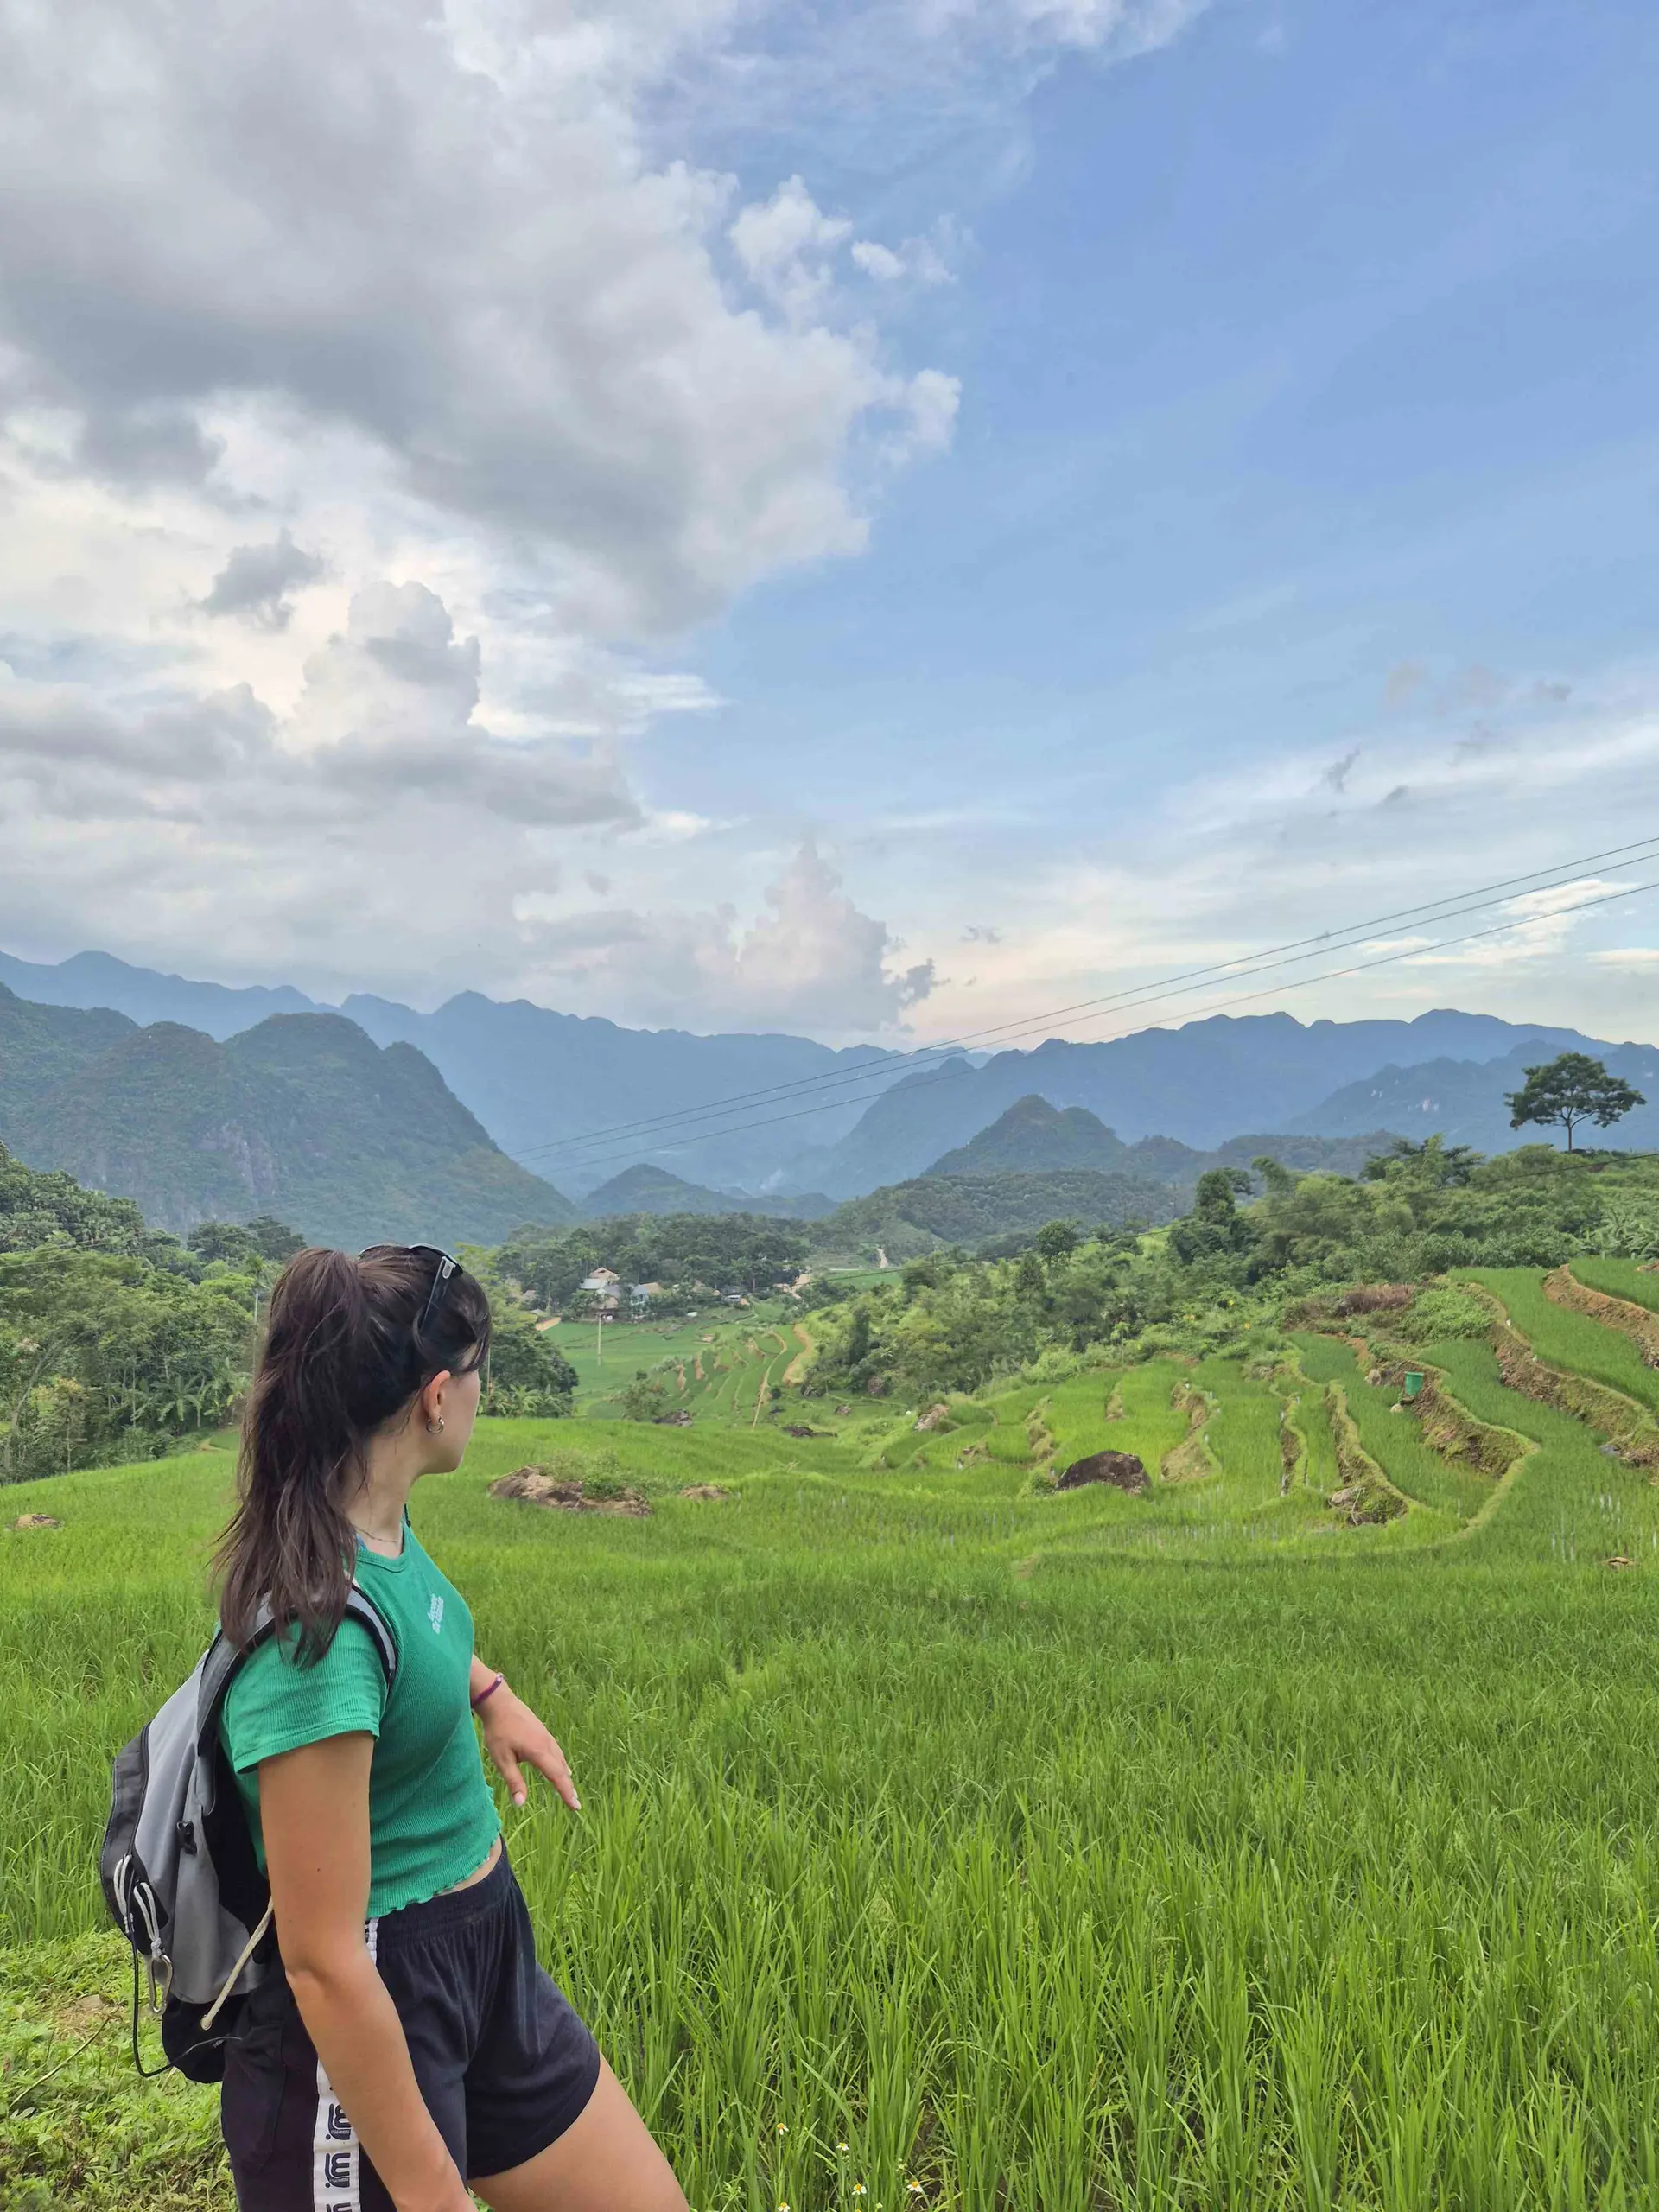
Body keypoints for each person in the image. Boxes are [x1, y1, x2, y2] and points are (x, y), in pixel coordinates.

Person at [212, 1243, 686, 2212]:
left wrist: (487, 1692)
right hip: (375, 2000)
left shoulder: (374, 1521)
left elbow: (407, 1625)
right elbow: (322, 1960)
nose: (480, 1394)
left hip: (487, 1949)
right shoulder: (312, 1644)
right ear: (435, 1397)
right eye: (476, 1374)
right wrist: (433, 2193)